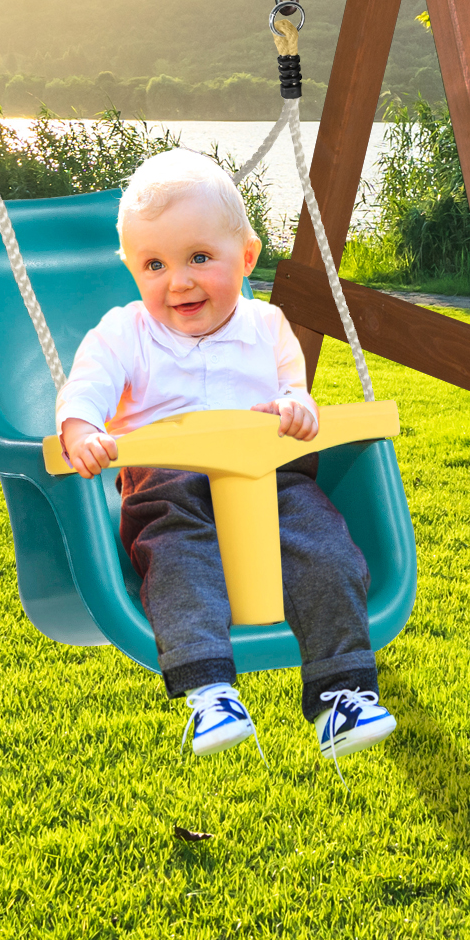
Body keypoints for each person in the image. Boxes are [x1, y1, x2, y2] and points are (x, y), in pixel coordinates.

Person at [55, 149, 396, 761]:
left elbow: (295, 391)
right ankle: (210, 691)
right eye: (154, 264)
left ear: (246, 256)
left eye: (199, 258)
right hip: (169, 488)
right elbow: (87, 386)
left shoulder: (267, 326)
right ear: (132, 270)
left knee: (328, 548)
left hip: (275, 480)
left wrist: (297, 408)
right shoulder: (124, 332)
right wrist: (81, 428)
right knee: (179, 560)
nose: (177, 281)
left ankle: (341, 696)